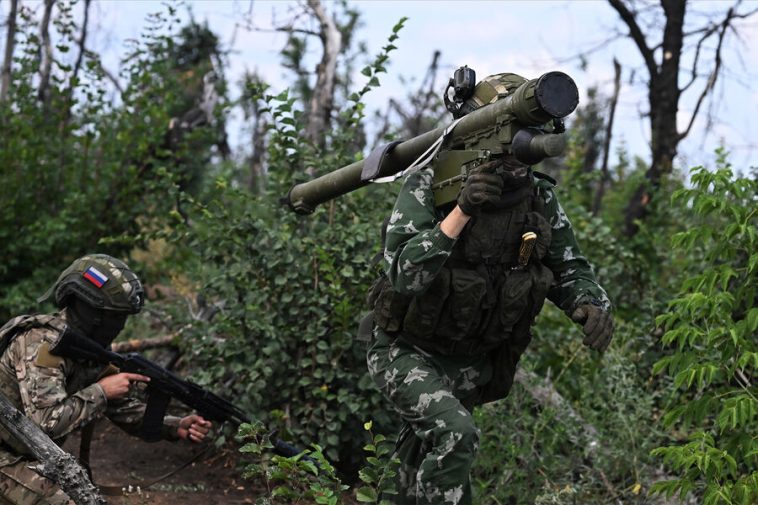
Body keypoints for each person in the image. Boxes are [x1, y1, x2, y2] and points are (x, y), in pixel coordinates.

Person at [365, 73, 614, 504]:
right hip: (406, 350)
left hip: (471, 360)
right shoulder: (432, 184)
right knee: (455, 436)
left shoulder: (538, 198)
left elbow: (570, 268)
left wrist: (590, 304)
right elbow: (405, 275)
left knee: (419, 463)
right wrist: (461, 211)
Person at [0, 254, 212, 505]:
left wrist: (174, 425)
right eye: (115, 316)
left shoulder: (88, 348)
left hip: (32, 455)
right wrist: (101, 390)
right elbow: (45, 423)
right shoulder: (40, 344)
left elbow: (120, 408)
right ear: (90, 310)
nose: (119, 325)